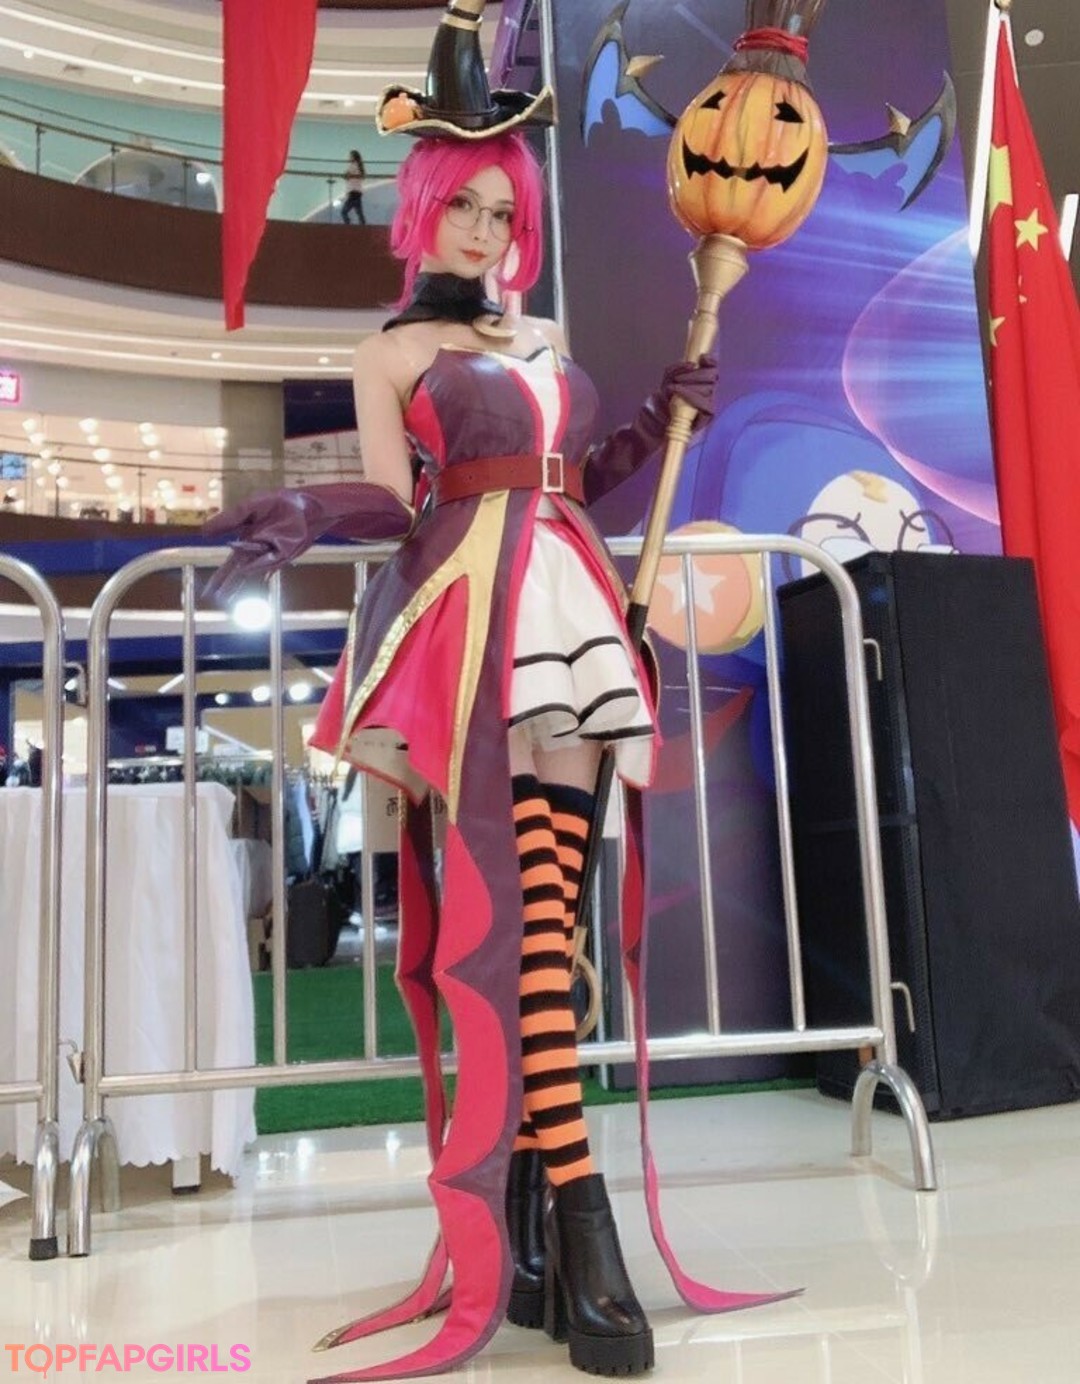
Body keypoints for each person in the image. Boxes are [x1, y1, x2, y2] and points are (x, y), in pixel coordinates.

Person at [207, 3, 789, 1380]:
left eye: (501, 209)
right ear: (421, 207)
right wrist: (305, 507)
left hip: (570, 599)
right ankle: (582, 1227)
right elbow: (397, 498)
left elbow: (578, 477)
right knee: (521, 939)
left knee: (552, 929)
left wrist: (663, 414)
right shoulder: (393, 356)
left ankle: (539, 1232)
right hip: (477, 625)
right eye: (461, 205)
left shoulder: (539, 335)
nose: (481, 229)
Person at [341, 149, 366, 225]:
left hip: (352, 191)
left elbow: (346, 175)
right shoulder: (359, 167)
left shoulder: (352, 166)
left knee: (343, 212)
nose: (348, 157)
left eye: (350, 156)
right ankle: (363, 227)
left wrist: (345, 175)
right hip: (358, 191)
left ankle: (348, 225)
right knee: (359, 213)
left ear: (353, 157)